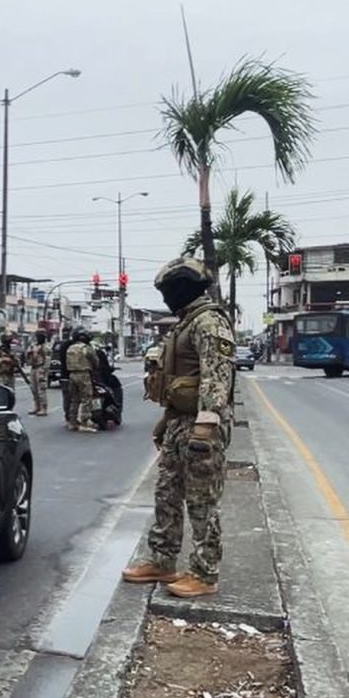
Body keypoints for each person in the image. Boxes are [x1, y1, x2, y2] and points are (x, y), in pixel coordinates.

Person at [123, 257, 235, 599]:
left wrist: (206, 427)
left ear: (184, 288)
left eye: (168, 291)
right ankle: (162, 560)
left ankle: (204, 573)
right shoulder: (186, 322)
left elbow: (217, 377)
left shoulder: (209, 322)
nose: (165, 298)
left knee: (201, 501)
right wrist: (166, 421)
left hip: (201, 426)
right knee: (167, 493)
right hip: (180, 422)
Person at [65, 329, 98, 433]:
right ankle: (84, 422)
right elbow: (95, 361)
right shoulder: (86, 348)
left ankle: (72, 422)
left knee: (74, 399)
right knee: (86, 398)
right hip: (83, 374)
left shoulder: (70, 348)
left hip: (72, 374)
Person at [25, 331, 49, 416]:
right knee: (34, 389)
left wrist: (44, 371)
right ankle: (37, 406)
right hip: (34, 368)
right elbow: (28, 357)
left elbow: (47, 360)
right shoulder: (34, 346)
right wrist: (29, 352)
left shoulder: (45, 348)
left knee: (41, 389)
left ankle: (43, 408)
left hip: (40, 368)